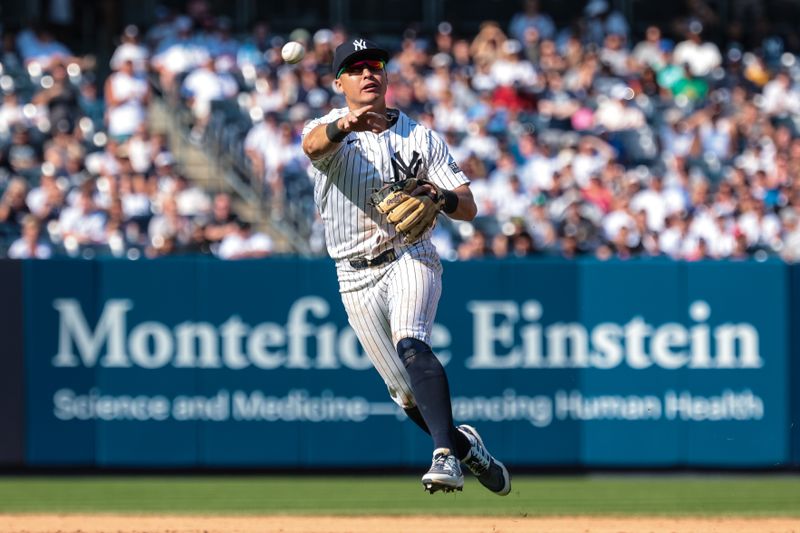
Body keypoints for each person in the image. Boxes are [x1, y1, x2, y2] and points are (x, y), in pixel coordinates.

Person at [301, 37, 511, 495]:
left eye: (374, 65)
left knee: (412, 344)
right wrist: (345, 124)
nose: (368, 73)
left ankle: (444, 457)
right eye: (355, 69)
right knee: (405, 394)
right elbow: (313, 147)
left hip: (410, 254)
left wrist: (439, 197)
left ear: (387, 75)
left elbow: (469, 207)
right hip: (353, 273)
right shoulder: (328, 128)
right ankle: (464, 447)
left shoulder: (420, 135)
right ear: (340, 82)